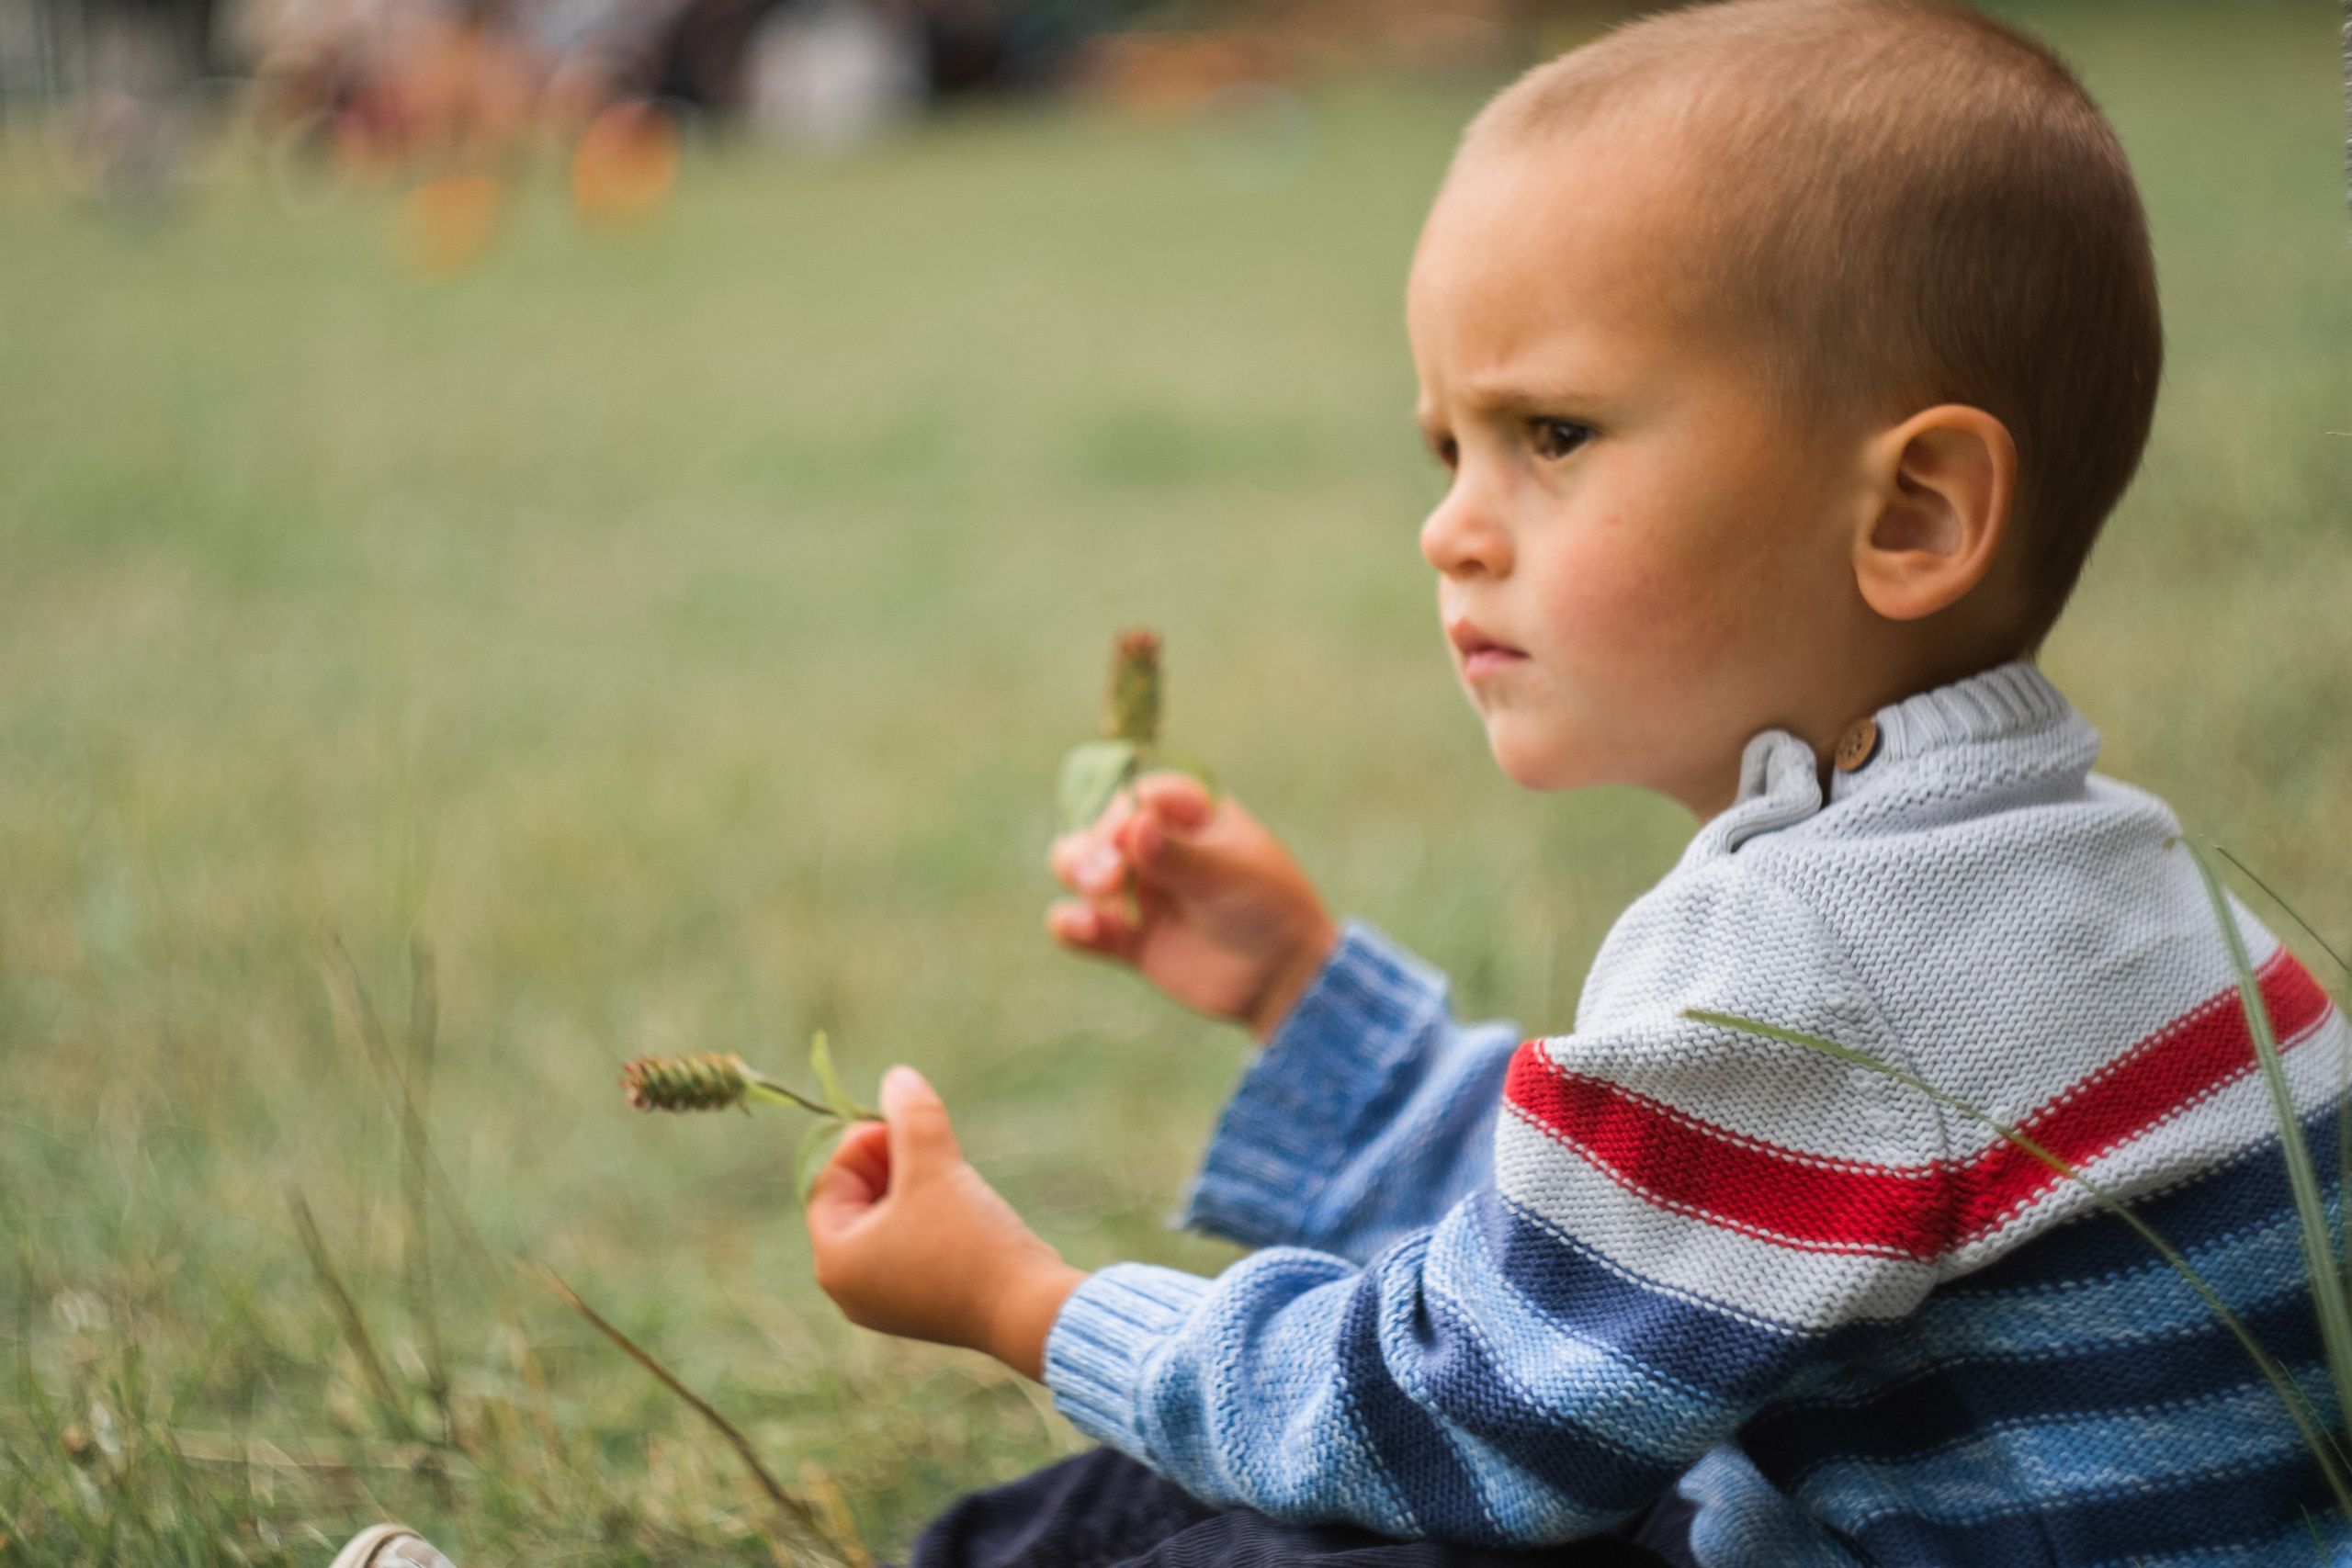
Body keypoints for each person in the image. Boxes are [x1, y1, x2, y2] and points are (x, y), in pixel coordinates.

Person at [330, 2, 2344, 1564]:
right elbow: (1651, 1241)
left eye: (1548, 431)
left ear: (1907, 507)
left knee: (1262, 1516)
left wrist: (1034, 1302)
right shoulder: (2099, 881)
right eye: (1439, 450)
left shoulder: (1822, 938)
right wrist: (1311, 998)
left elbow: (1458, 1407)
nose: (1450, 531)